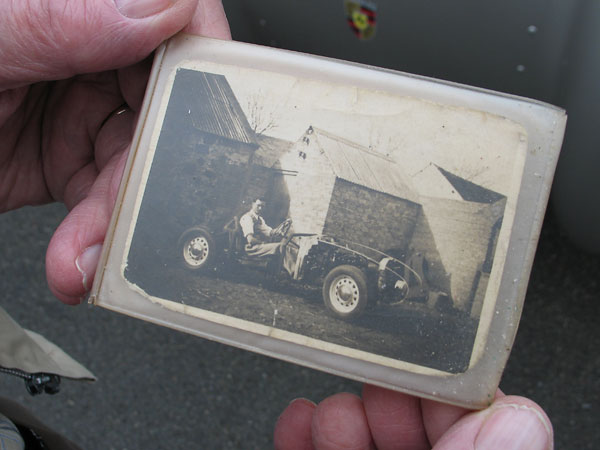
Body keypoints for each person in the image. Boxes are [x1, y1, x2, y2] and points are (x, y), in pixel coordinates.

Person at [0, 1, 552, 448]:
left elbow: (272, 227)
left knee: (306, 245)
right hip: (254, 250)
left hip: (280, 245)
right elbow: (252, 233)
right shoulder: (244, 221)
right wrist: (266, 230)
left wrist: (280, 230)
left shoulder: (271, 216)